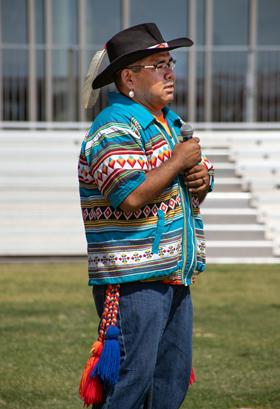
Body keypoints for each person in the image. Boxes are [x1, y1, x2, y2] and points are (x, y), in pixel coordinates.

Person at [78, 23, 214, 409]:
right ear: (128, 78)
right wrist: (179, 161)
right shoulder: (114, 125)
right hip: (133, 280)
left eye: (169, 62)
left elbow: (196, 184)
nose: (170, 71)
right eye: (158, 64)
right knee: (130, 385)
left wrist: (201, 178)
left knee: (170, 382)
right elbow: (130, 194)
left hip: (173, 275)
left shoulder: (170, 123)